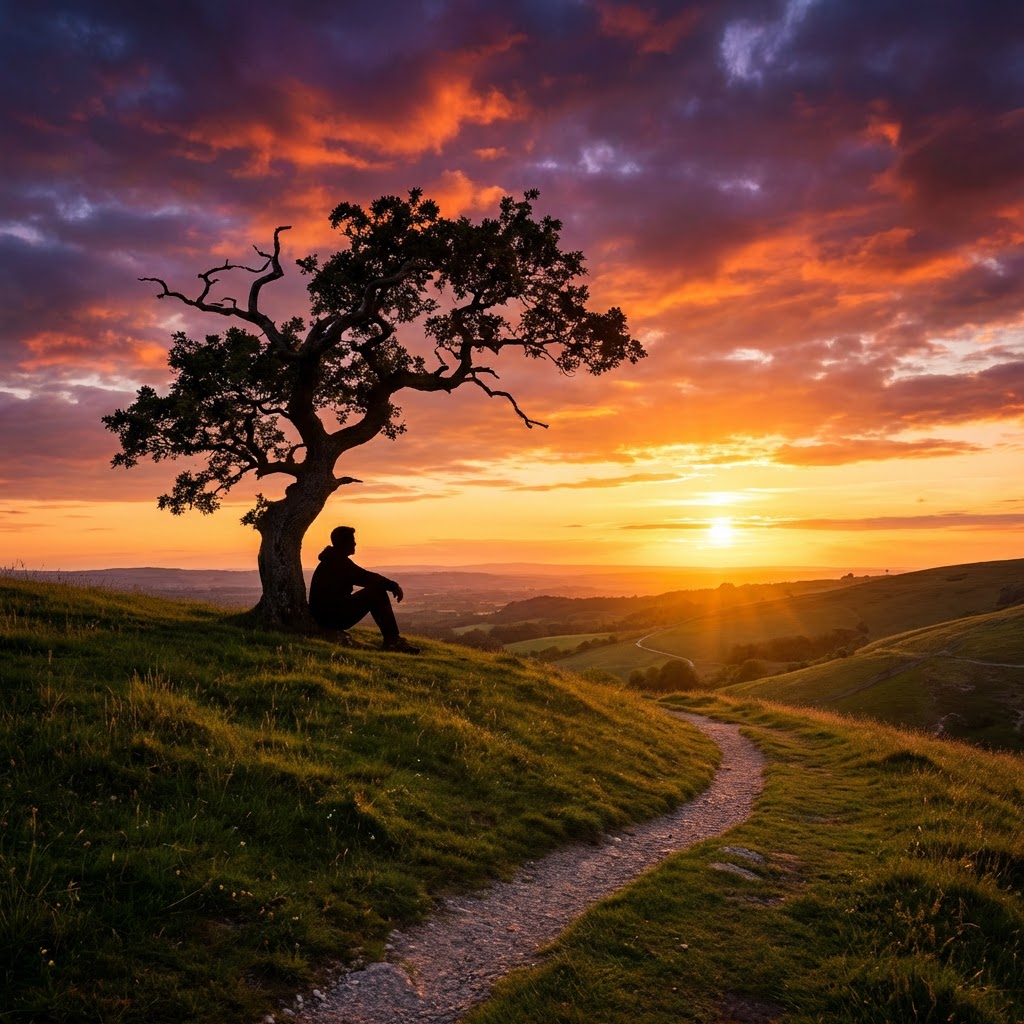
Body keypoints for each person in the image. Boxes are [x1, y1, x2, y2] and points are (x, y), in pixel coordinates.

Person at [308, 526, 420, 653]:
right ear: (344, 543)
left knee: (375, 591)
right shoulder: (338, 562)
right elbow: (366, 577)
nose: (355, 543)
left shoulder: (333, 560)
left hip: (327, 615)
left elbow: (363, 576)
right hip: (332, 617)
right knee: (376, 592)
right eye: (352, 540)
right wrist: (393, 586)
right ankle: (393, 641)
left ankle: (393, 641)